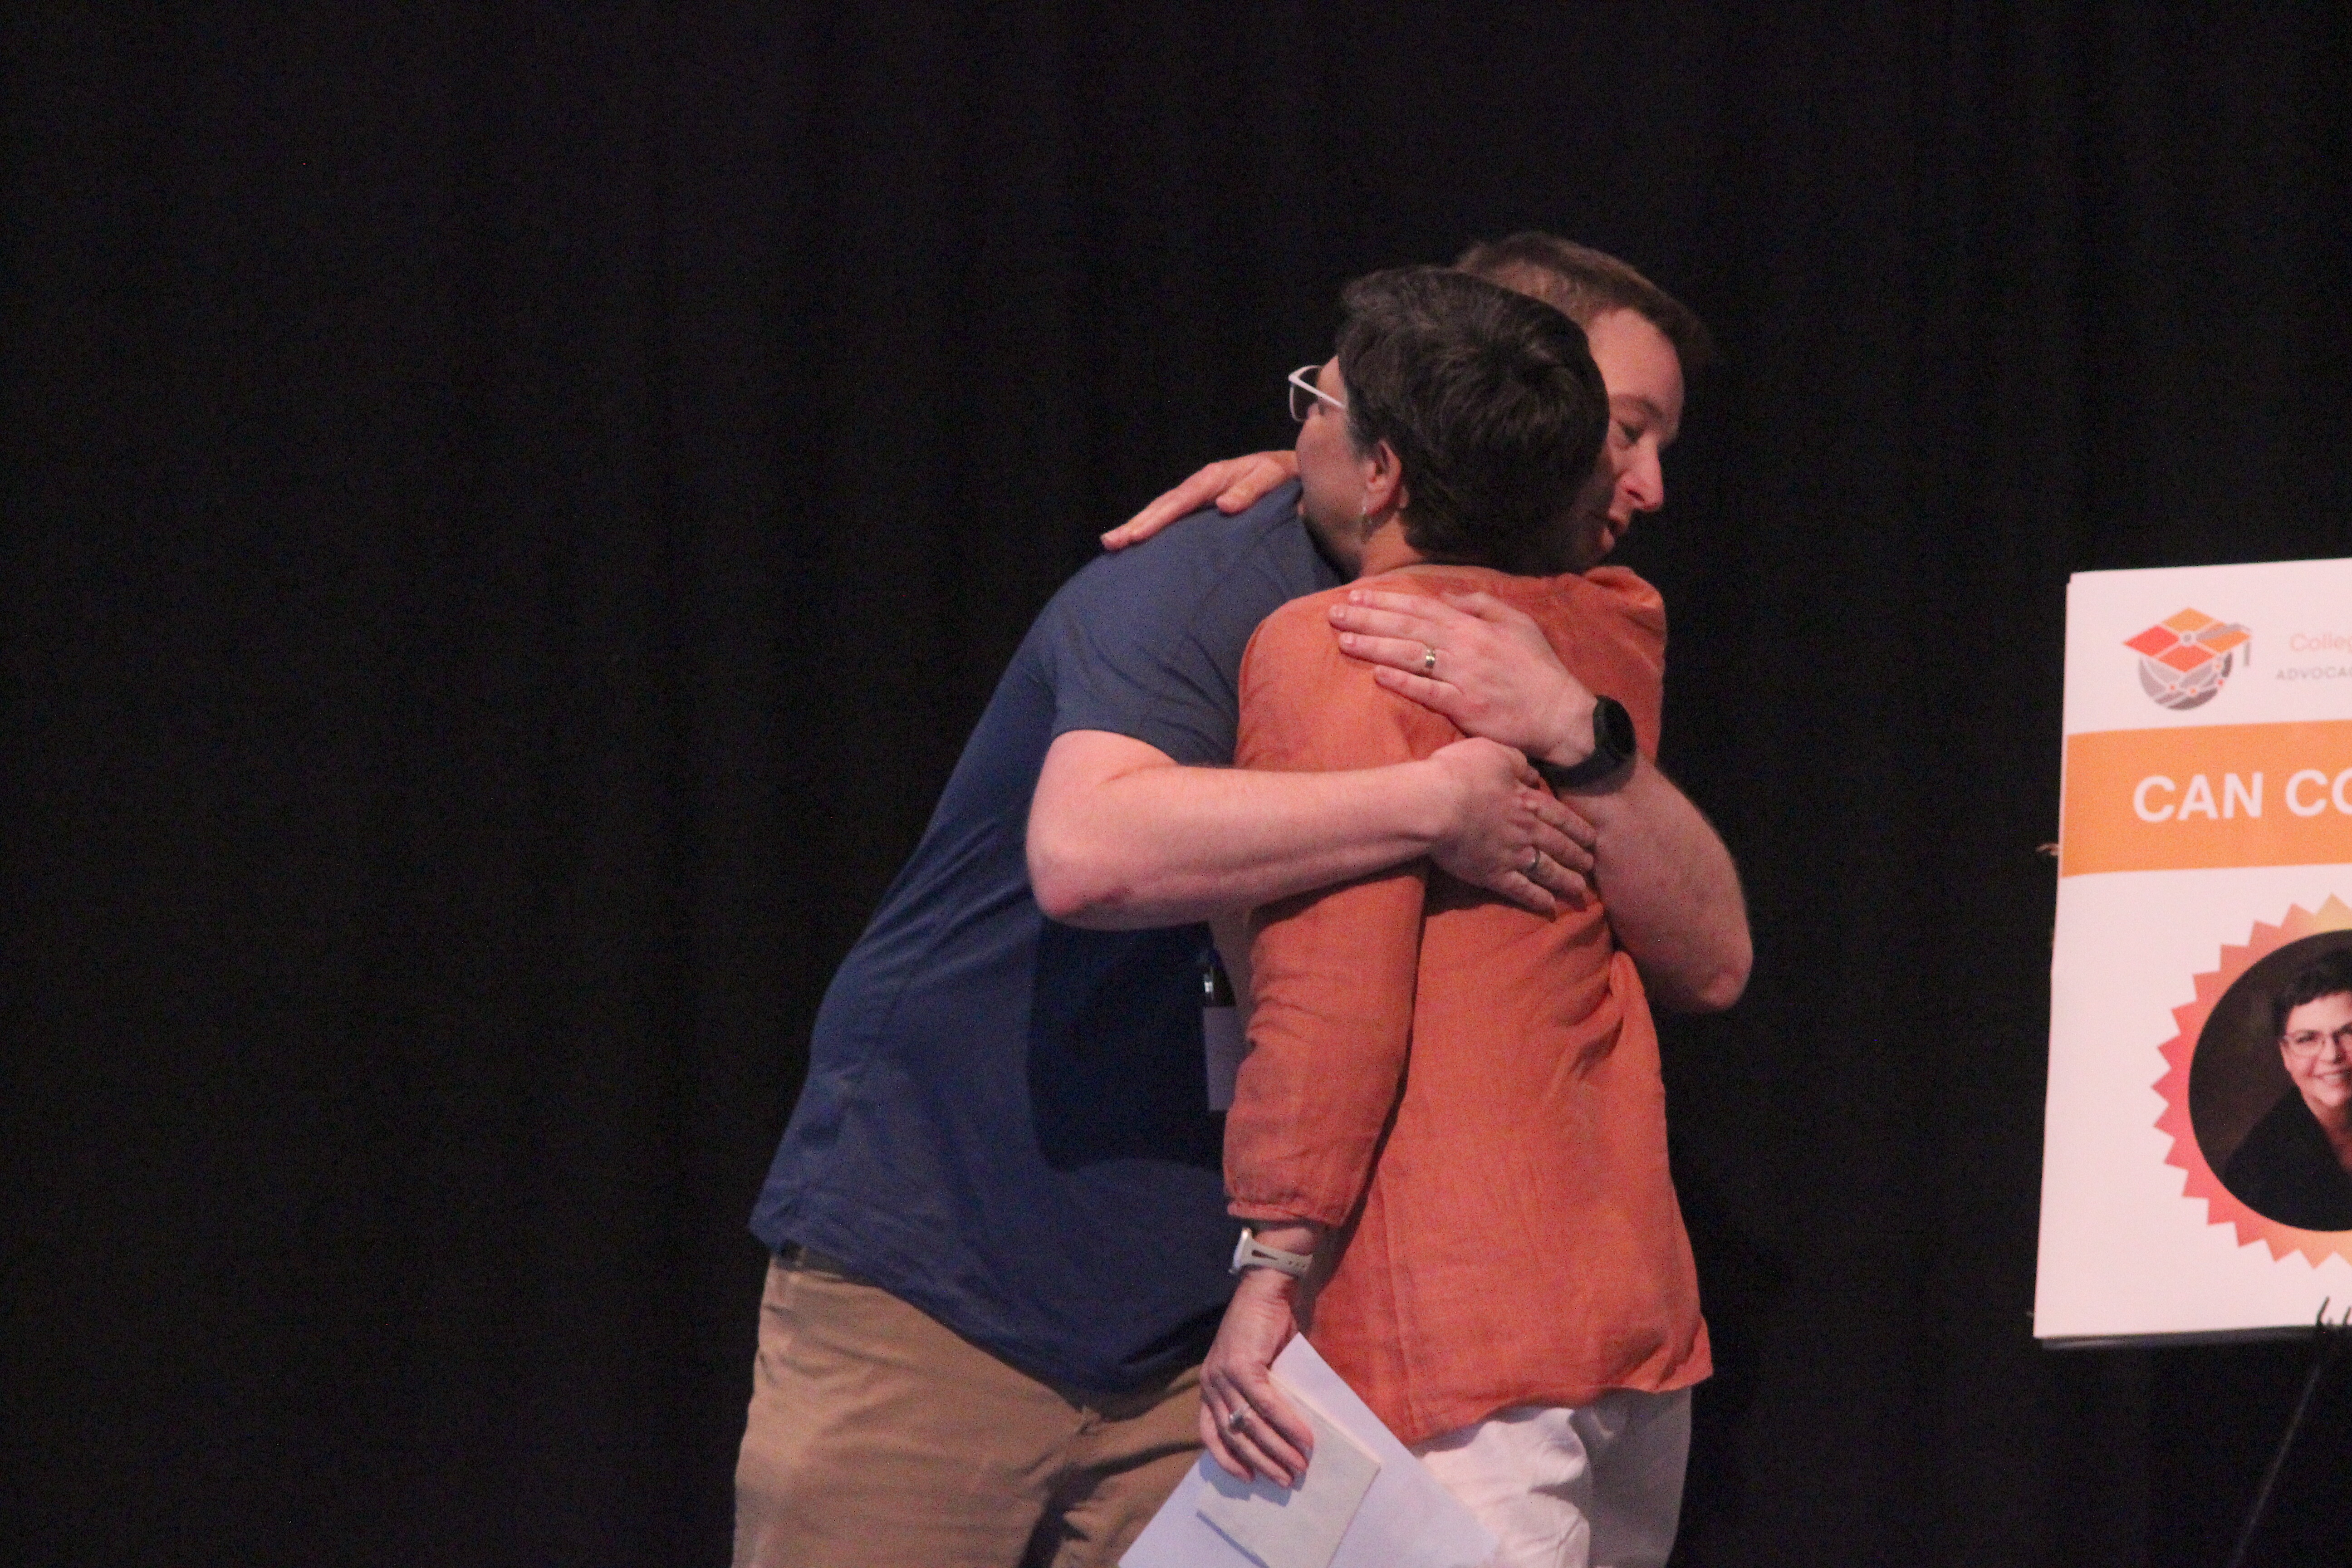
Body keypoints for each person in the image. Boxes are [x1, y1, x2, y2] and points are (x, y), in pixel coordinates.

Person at [731, 237, 1746, 1568]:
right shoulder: (1213, 583)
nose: (1642, 481)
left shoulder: (1563, 629)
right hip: (957, 1281)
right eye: (1619, 429)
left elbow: (1713, 957)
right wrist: (1434, 804)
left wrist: (1579, 733)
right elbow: (1089, 853)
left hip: (1226, 1342)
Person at [1197, 268, 1710, 1568]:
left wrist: (1270, 1264)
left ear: (1383, 475)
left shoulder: (1334, 644)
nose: (1302, 426)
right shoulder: (1614, 630)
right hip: (1630, 1307)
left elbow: (1332, 994)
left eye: (1328, 408)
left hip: (1455, 1319)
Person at [2222, 949, 2352, 1232]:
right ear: (2286, 1055)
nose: (2332, 1055)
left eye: (2350, 1032)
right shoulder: (2254, 1177)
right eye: (2307, 1039)